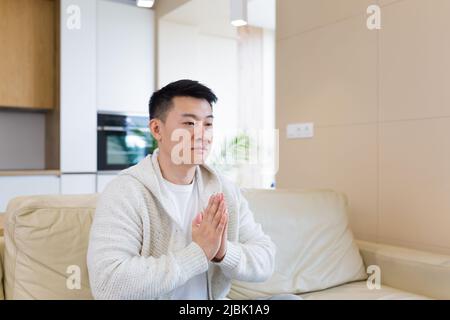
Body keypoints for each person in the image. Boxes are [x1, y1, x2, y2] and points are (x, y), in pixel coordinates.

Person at [87, 80, 278, 300]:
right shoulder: (125, 192)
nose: (201, 135)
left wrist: (222, 252)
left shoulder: (224, 190)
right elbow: (107, 285)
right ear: (157, 129)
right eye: (189, 123)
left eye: (207, 124)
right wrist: (198, 254)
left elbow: (266, 259)